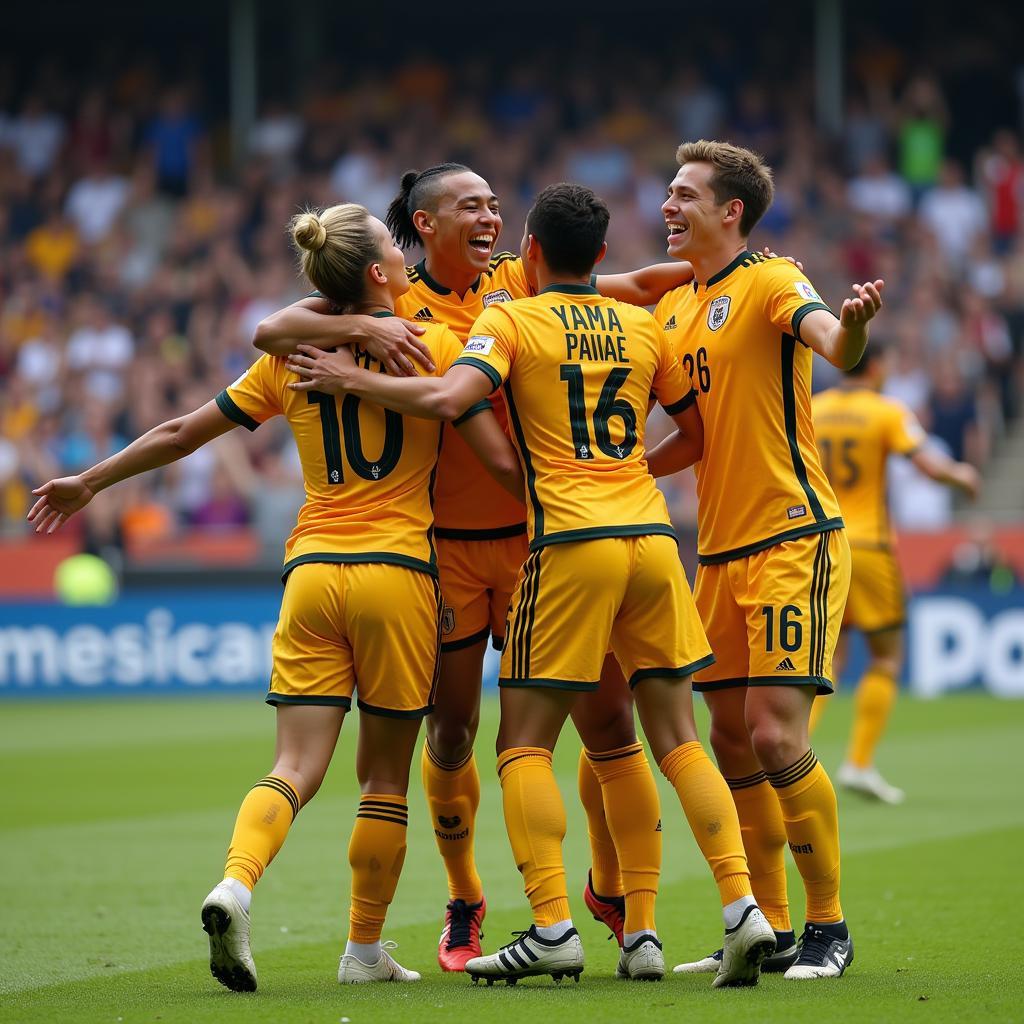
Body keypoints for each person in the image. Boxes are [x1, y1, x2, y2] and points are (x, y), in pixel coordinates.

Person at [285, 183, 778, 988]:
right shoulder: (638, 325)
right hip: (641, 537)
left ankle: (557, 923)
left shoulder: (508, 313)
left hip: (557, 540)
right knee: (673, 738)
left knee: (526, 741)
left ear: (531, 254)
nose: (487, 224)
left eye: (498, 214)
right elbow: (690, 426)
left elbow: (449, 398)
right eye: (468, 206)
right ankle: (741, 909)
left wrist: (358, 381)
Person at [27, 203, 522, 990]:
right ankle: (363, 951)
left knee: (294, 764)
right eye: (394, 246)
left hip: (312, 572)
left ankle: (237, 881)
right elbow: (491, 437)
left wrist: (90, 479)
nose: (403, 253)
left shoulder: (287, 360)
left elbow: (184, 433)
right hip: (399, 575)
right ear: (377, 274)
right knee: (384, 779)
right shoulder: (436, 346)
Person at [652, 140, 883, 981]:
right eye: (669, 193)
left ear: (730, 212)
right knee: (730, 739)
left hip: (794, 538)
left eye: (684, 194)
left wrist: (849, 333)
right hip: (716, 553)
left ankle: (830, 926)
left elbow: (830, 338)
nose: (668, 206)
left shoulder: (773, 278)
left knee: (774, 732)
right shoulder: (677, 306)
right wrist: (629, 471)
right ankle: (770, 926)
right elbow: (699, 436)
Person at [809, 345, 979, 802]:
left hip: (819, 544)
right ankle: (859, 763)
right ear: (878, 367)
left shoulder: (813, 408)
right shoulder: (886, 411)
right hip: (868, 546)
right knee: (886, 656)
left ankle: (788, 758)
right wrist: (962, 475)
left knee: (827, 659)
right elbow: (927, 463)